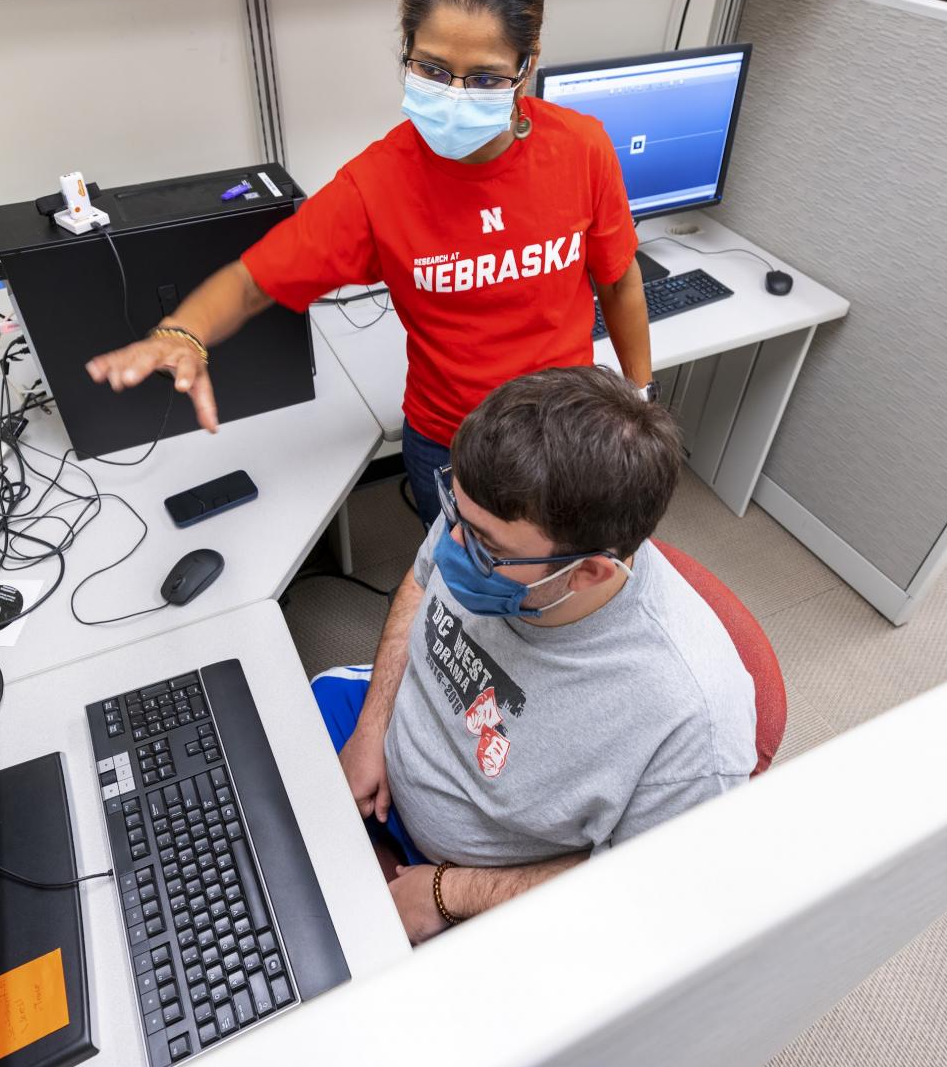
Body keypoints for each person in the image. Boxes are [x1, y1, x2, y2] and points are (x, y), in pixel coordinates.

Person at [84, 0, 654, 527]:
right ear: (406, 49)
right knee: (462, 591)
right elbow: (254, 281)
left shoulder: (582, 149)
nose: (456, 95)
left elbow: (620, 282)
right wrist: (185, 331)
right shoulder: (376, 186)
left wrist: (640, 399)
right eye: (432, 69)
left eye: (485, 77)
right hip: (450, 444)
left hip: (564, 432)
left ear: (527, 65)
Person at [309, 366, 758, 943]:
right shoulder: (480, 520)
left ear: (590, 570)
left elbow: (644, 881)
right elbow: (422, 581)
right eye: (454, 517)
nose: (450, 546)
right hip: (392, 735)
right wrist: (372, 730)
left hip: (485, 880)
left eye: (487, 550)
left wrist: (447, 894)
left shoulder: (691, 717)